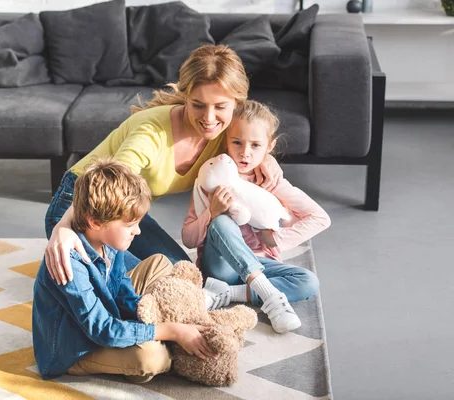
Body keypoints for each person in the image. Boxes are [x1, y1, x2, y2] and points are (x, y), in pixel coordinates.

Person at [44, 44, 284, 286]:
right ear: (186, 97)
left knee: (186, 277)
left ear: (237, 103)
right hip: (81, 204)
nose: (209, 119)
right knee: (137, 286)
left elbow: (254, 137)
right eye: (198, 105)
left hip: (127, 214)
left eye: (220, 106)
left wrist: (265, 157)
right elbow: (107, 184)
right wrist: (65, 226)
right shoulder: (151, 132)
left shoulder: (226, 134)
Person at [33, 159, 230, 383]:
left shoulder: (108, 242)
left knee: (161, 263)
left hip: (106, 316)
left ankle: (162, 332)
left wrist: (155, 316)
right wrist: (171, 331)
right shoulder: (70, 266)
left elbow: (122, 290)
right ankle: (161, 342)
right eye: (129, 225)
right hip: (76, 348)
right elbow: (102, 330)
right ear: (95, 222)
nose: (137, 231)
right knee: (152, 358)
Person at [182, 101, 331, 334]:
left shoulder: (271, 181)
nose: (245, 152)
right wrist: (212, 212)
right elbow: (189, 239)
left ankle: (228, 293)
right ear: (225, 140)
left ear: (270, 146)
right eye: (237, 142)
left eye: (255, 145)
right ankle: (269, 294)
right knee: (222, 222)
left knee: (309, 282)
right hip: (221, 267)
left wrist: (276, 239)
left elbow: (320, 218)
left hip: (259, 263)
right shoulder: (211, 178)